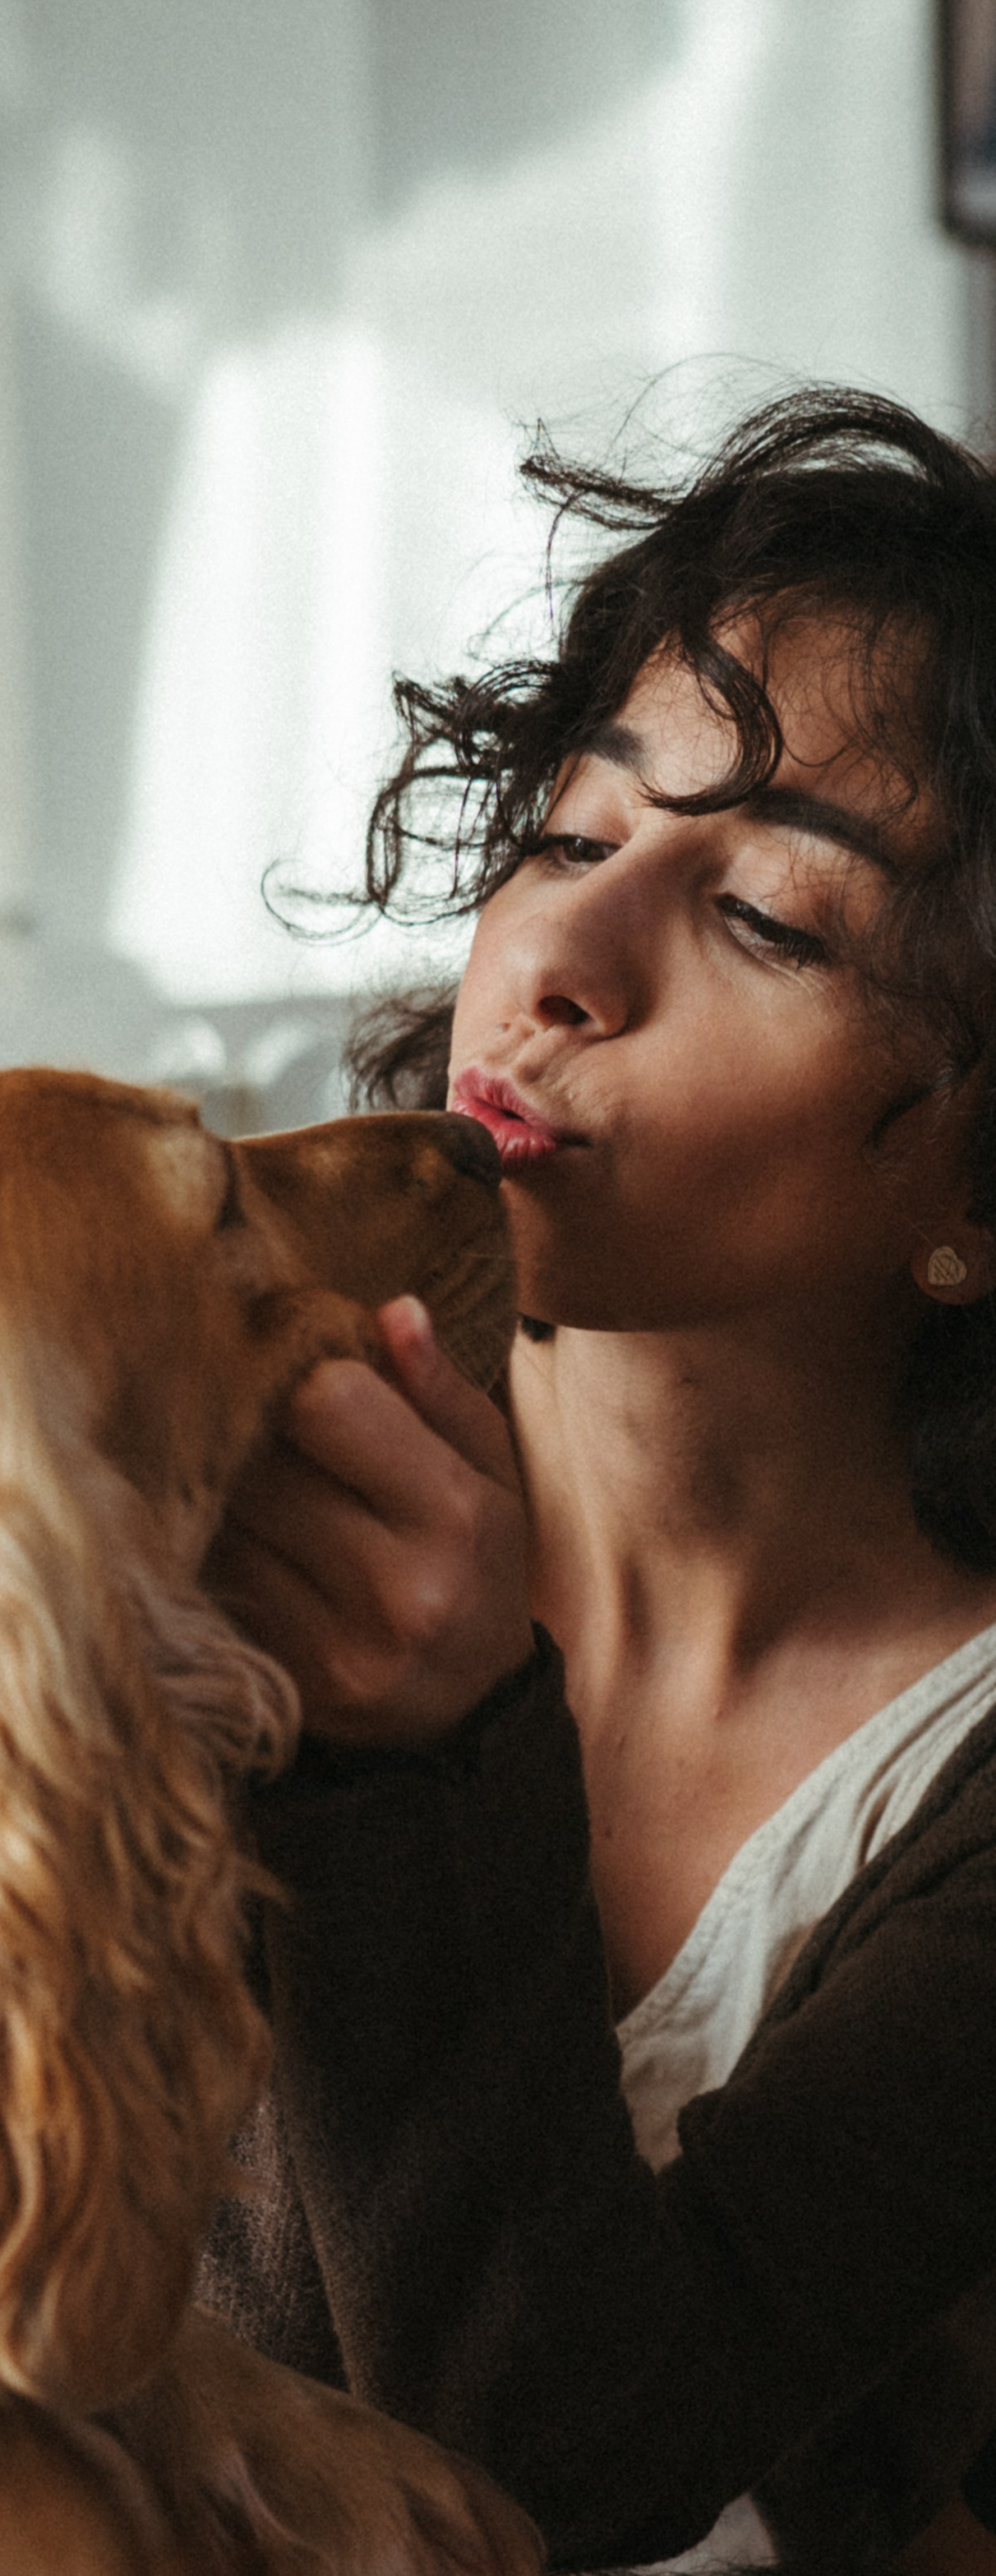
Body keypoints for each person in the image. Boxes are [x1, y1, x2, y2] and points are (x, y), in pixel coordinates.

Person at [201, 389, 996, 2574]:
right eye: (570, 835)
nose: (554, 965)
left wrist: (418, 1759)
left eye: (769, 921)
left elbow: (555, 2463)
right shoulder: (201, 1464)